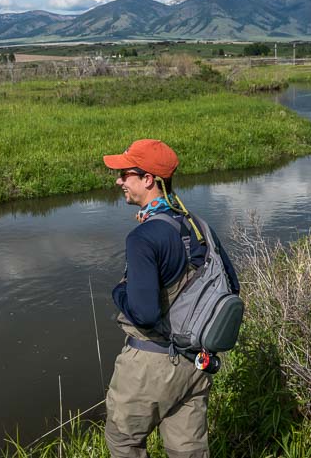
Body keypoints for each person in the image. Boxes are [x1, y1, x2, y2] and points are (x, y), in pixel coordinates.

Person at [102, 139, 240, 458]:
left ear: (148, 179)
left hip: (151, 362)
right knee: (188, 449)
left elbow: (145, 314)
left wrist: (118, 291)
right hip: (197, 359)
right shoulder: (197, 224)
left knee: (123, 440)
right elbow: (231, 284)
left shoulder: (143, 237)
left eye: (125, 173)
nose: (119, 180)